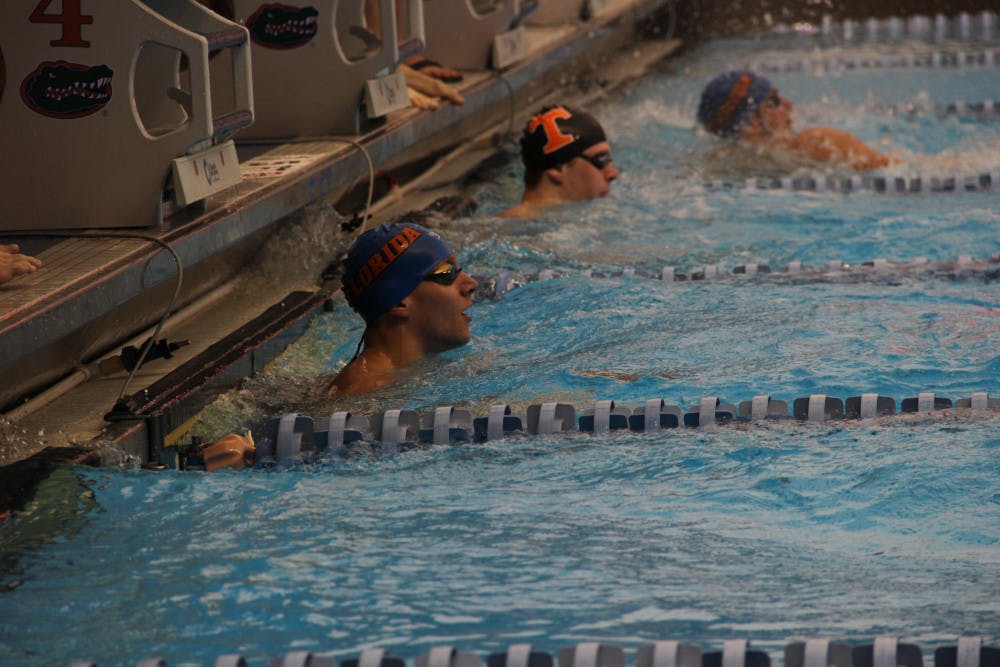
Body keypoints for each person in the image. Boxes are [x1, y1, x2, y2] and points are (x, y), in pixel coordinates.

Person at [326, 222, 478, 395]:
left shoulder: (409, 372)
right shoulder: (365, 395)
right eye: (446, 272)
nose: (472, 284)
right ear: (398, 302)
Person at [697, 70, 893, 171]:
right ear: (751, 124)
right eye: (773, 101)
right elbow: (896, 169)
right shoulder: (817, 142)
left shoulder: (720, 165)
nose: (789, 105)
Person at [500, 104, 619, 219]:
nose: (613, 174)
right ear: (558, 168)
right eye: (600, 159)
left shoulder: (567, 218)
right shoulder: (511, 229)